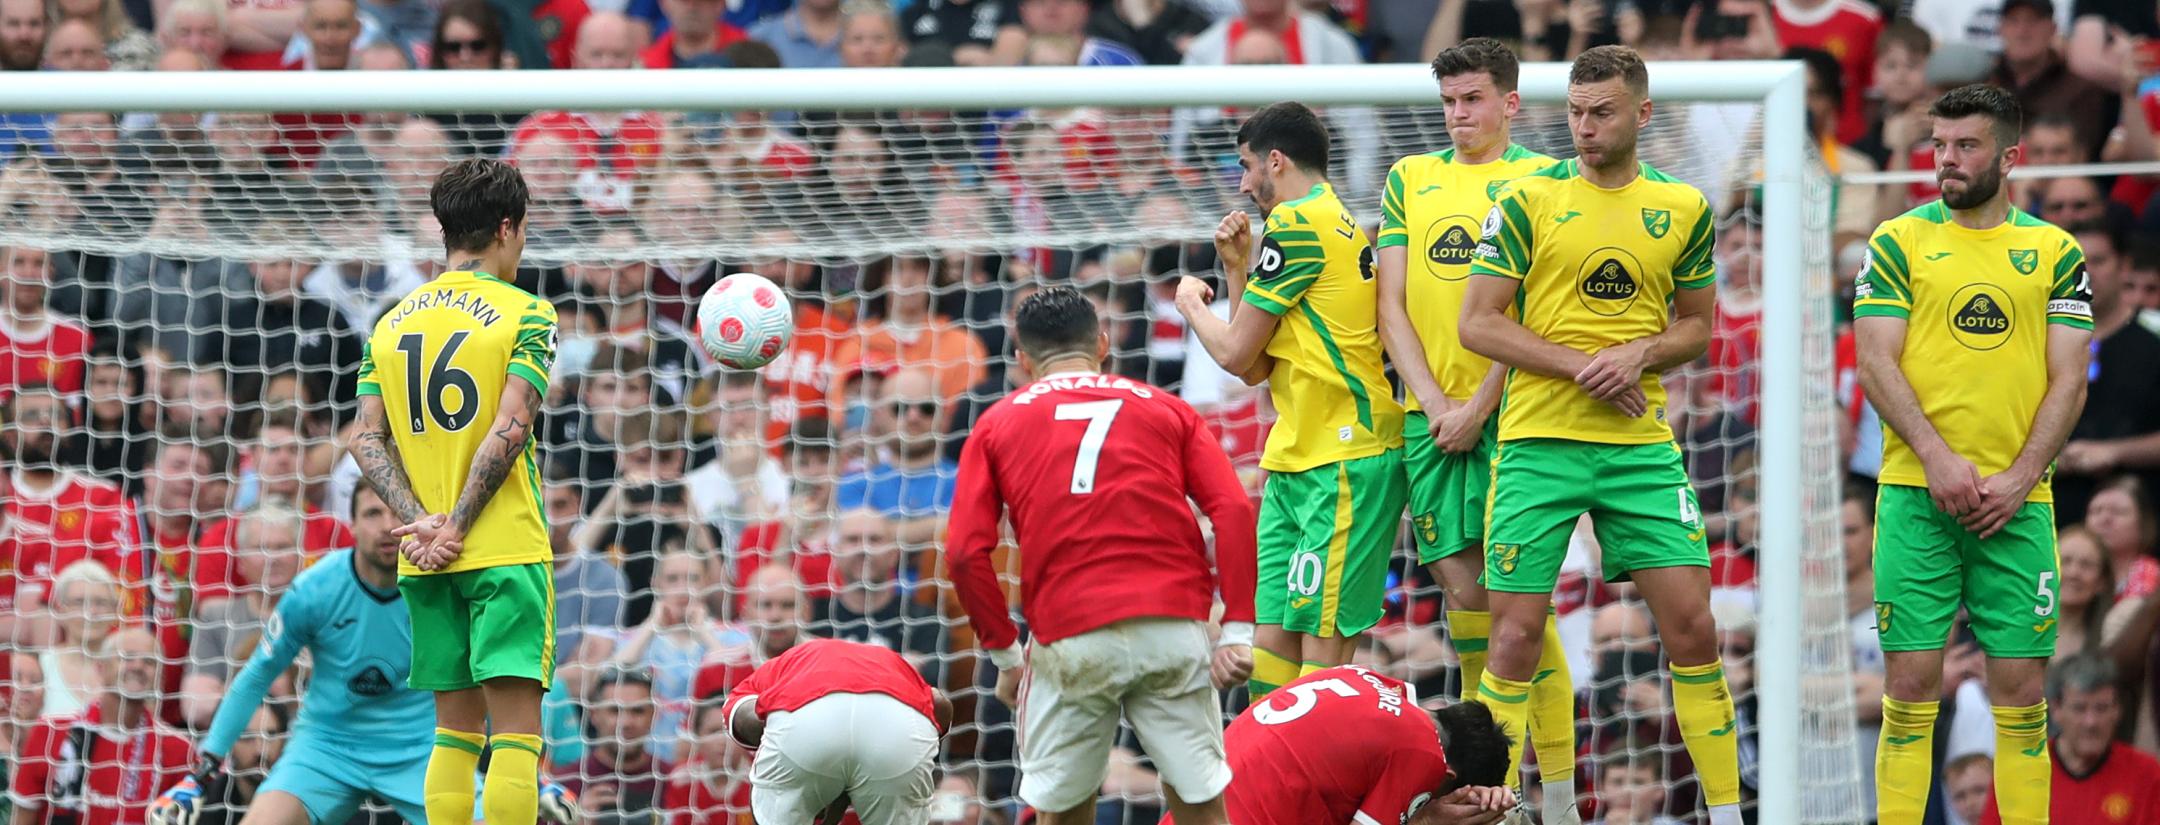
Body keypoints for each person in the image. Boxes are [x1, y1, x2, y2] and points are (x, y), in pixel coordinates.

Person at [1458, 45, 1740, 825]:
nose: (1584, 128)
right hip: (1538, 443)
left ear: (1641, 114)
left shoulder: (1682, 207)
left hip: (1638, 447)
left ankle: (1727, 811)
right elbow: (1477, 323)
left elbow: (1696, 329)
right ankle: (1503, 810)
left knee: (1693, 625)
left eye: (1602, 112)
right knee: (1511, 634)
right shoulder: (1526, 199)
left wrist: (1639, 353)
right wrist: (1586, 365)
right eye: (1576, 113)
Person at [1851, 83, 2095, 825]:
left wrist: (2021, 478)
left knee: (2021, 692)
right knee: (1911, 686)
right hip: (1915, 495)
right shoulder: (1897, 240)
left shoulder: (2054, 251)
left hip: (2018, 505)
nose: (1946, 160)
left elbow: (2069, 378)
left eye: (1966, 146)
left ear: (2010, 156)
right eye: (1939, 144)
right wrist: (1935, 457)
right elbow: (1874, 360)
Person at [947, 286, 1258, 825]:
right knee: (1203, 807)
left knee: (1062, 812)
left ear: (1021, 360)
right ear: (1105, 343)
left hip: (1070, 635)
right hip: (1173, 628)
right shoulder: (1169, 408)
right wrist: (1237, 631)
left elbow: (963, 553)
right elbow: (1232, 509)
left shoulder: (997, 422)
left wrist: (1005, 656)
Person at [1374, 38, 1578, 820]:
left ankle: (1554, 799)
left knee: (1518, 610)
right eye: (1449, 102)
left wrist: (1478, 404)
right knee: (1466, 600)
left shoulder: (1543, 180)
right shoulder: (1410, 178)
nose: (1459, 115)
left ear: (1510, 103)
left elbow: (1531, 309)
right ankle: (1490, 786)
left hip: (1516, 416)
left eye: (1473, 100)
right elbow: (1390, 306)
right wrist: (1432, 402)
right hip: (1429, 417)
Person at [147, 480, 577, 825]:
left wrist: (532, 777)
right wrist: (201, 773)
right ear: (350, 524)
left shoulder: (443, 587)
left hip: (420, 750)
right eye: (373, 512)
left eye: (395, 511)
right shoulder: (315, 591)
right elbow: (256, 676)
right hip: (326, 747)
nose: (387, 525)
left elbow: (483, 689)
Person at [348, 157, 559, 825]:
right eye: (522, 232)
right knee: (518, 735)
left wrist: (423, 524)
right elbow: (512, 424)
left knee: (454, 733)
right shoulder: (527, 312)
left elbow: (363, 438)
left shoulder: (392, 322)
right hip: (499, 546)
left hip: (424, 553)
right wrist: (461, 523)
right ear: (506, 227)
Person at [1175, 101, 1407, 695]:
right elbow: (1252, 366)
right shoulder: (1329, 222)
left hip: (1345, 460)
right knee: (1271, 648)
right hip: (1297, 458)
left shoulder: (1298, 224)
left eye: (1248, 165)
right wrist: (1235, 269)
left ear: (1275, 160)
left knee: (1320, 666)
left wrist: (1191, 305)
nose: (1244, 182)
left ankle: (1315, 787)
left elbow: (1228, 355)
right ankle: (1266, 785)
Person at [1208, 665, 1517, 825]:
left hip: (1195, 806)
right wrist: (1427, 819)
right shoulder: (1425, 753)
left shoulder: (1363, 677)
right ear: (1448, 775)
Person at [722, 638, 953, 825]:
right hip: (901, 721)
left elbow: (744, 718)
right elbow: (939, 704)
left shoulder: (764, 677)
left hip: (803, 720)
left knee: (769, 792)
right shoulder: (895, 664)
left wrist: (788, 748)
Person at [1978, 654, 2160, 823]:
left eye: (2101, 708)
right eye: (2079, 708)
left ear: (2117, 711)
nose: (2091, 722)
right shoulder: (2019, 773)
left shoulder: (2147, 775)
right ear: (2056, 709)